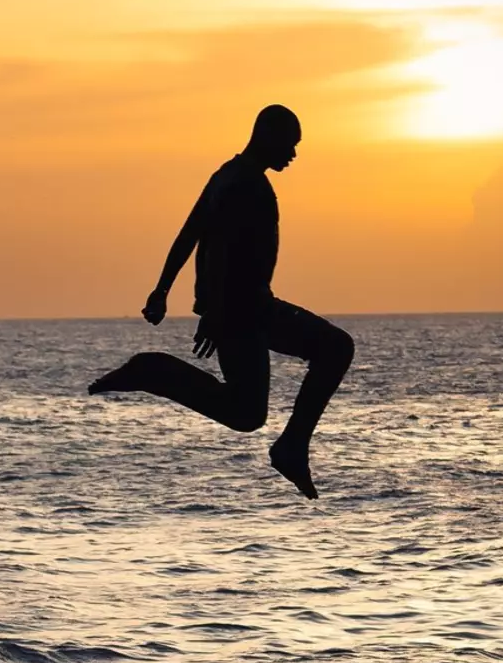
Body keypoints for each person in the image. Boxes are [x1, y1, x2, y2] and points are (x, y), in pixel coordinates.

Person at [89, 105, 353, 499]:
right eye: (290, 145)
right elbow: (223, 252)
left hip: (241, 308)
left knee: (246, 413)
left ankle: (156, 373)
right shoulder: (248, 186)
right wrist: (215, 311)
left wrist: (163, 289)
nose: (293, 155)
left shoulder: (225, 175)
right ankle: (289, 445)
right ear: (268, 135)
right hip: (246, 309)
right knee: (336, 347)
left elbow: (190, 234)